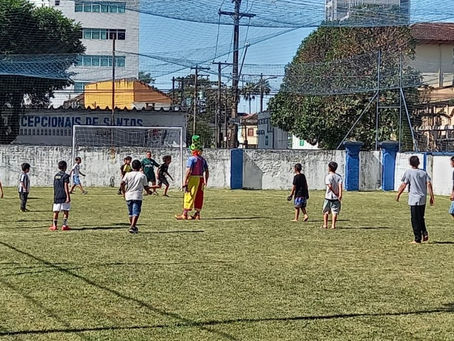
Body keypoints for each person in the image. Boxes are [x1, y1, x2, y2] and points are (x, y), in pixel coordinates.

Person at [396, 155, 435, 244]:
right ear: (418, 163)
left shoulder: (409, 172)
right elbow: (429, 184)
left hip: (414, 198)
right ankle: (424, 232)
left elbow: (404, 184)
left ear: (410, 163)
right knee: (421, 217)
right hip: (422, 198)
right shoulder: (423, 172)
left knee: (414, 219)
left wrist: (398, 194)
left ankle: (417, 238)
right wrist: (432, 197)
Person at [176, 135, 209, 220]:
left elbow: (189, 170)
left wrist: (185, 180)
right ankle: (197, 214)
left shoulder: (191, 159)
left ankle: (185, 214)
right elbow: (207, 171)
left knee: (189, 194)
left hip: (193, 178)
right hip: (201, 178)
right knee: (199, 196)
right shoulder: (202, 160)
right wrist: (206, 180)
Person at [120, 159, 152, 234]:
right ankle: (133, 226)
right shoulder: (142, 175)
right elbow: (146, 186)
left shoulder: (128, 174)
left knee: (130, 212)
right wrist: (149, 192)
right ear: (140, 166)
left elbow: (122, 183)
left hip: (128, 195)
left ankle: (133, 226)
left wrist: (123, 192)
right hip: (137, 195)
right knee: (136, 212)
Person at [49, 161, 71, 231]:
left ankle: (54, 225)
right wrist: (68, 196)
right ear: (65, 167)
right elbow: (66, 186)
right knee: (66, 210)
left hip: (57, 195)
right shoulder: (65, 176)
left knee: (56, 211)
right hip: (63, 195)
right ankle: (64, 225)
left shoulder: (56, 176)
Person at [322, 161, 343, 229]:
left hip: (328, 196)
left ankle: (325, 224)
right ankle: (333, 225)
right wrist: (340, 194)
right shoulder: (339, 177)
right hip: (336, 198)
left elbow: (330, 186)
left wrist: (334, 192)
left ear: (329, 168)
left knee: (326, 211)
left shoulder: (328, 176)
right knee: (335, 211)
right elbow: (340, 186)